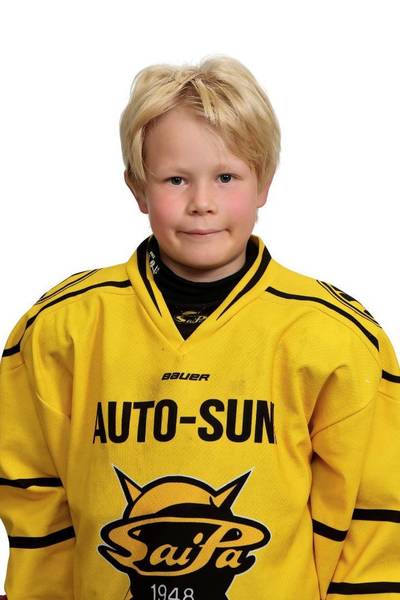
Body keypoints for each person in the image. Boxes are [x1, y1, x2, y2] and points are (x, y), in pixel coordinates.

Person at [0, 55, 399, 600]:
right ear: (138, 188)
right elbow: (32, 497)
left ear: (264, 183)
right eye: (176, 179)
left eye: (227, 177)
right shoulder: (61, 328)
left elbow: (373, 515)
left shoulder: (335, 336)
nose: (202, 203)